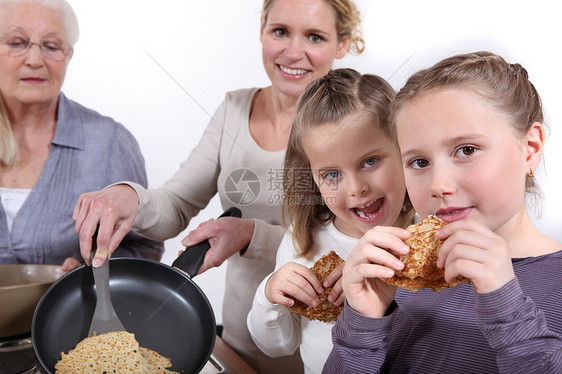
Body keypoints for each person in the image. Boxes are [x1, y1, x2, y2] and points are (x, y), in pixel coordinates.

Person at [72, 0, 364, 372]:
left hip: (323, 347)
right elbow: (176, 204)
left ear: (342, 44)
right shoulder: (234, 109)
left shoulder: (354, 122)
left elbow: (354, 242)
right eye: (280, 32)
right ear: (262, 29)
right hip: (239, 339)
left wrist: (251, 235)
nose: (293, 52)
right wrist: (128, 196)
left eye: (314, 37)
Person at [323, 51, 562, 373]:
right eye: (419, 162)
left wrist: (505, 303)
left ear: (530, 149)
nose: (438, 184)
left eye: (466, 150)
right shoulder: (398, 279)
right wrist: (363, 322)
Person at [247, 68, 415, 374]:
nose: (355, 188)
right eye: (332, 174)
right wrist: (269, 295)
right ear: (312, 178)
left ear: (403, 146)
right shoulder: (303, 243)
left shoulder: (427, 237)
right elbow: (278, 347)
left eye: (370, 161)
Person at [0, 0, 163, 269]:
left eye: (51, 46)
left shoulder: (109, 141)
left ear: (69, 55)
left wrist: (92, 274)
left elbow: (144, 247)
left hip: (71, 313)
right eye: (17, 43)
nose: (34, 60)